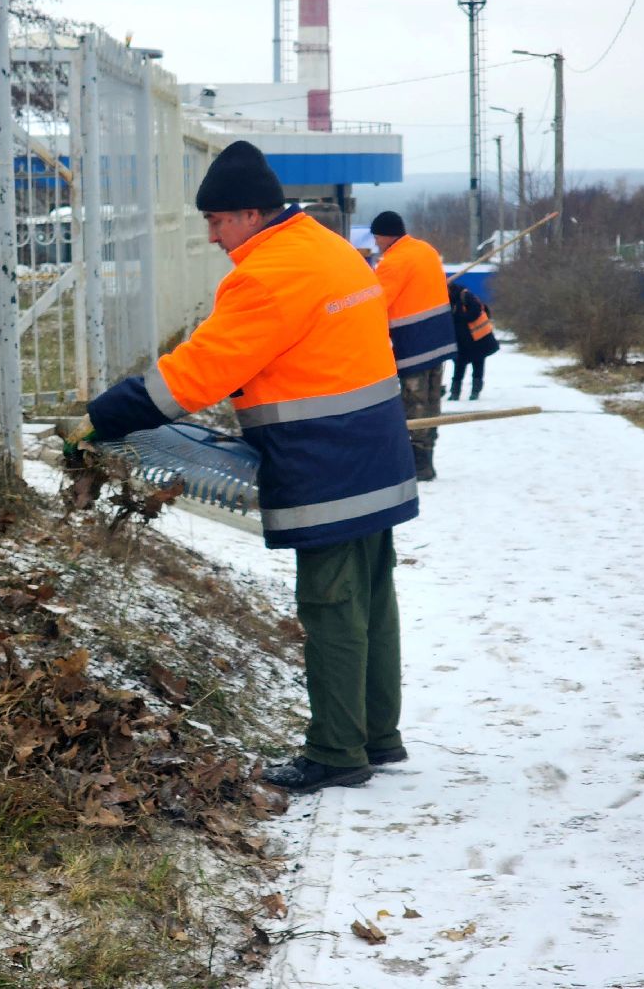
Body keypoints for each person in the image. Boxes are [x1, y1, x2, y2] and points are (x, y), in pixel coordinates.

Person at [71, 141, 417, 794]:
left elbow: (198, 372)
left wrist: (107, 415)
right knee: (373, 591)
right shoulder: (326, 247)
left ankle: (338, 752)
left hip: (327, 461)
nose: (211, 235)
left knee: (331, 602)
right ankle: (377, 733)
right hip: (375, 445)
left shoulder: (267, 274)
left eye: (218, 221)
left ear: (253, 214)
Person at [368, 211, 456, 481]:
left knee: (414, 402)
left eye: (377, 238)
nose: (376, 244)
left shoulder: (393, 262)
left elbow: (376, 304)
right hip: (439, 336)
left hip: (413, 342)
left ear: (384, 235)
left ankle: (418, 463)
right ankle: (426, 456)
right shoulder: (426, 250)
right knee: (431, 400)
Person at [448, 281, 499, 400]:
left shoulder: (465, 296)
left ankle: (475, 391)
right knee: (459, 366)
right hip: (461, 341)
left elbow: (475, 312)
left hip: (477, 339)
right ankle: (455, 393)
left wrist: (459, 318)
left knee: (477, 365)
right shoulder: (449, 301)